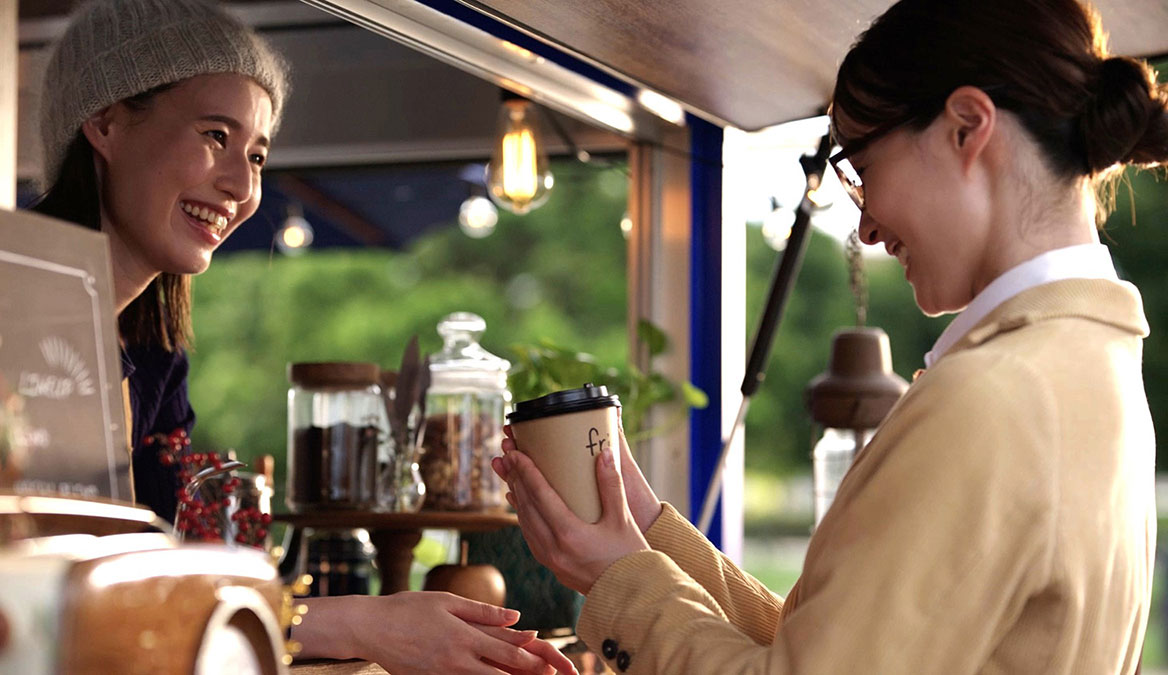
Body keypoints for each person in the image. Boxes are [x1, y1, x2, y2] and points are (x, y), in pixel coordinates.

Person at [494, 0, 1167, 672]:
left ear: (966, 126)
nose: (866, 227)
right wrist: (647, 532)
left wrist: (618, 579)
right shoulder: (1090, 366)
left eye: (863, 168)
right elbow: (820, 647)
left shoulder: (992, 394)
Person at [31, 1, 574, 673]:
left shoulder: (151, 354)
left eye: (257, 154)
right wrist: (363, 623)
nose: (241, 185)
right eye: (214, 136)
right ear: (106, 121)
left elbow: (169, 584)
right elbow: (42, 597)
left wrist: (370, 624)